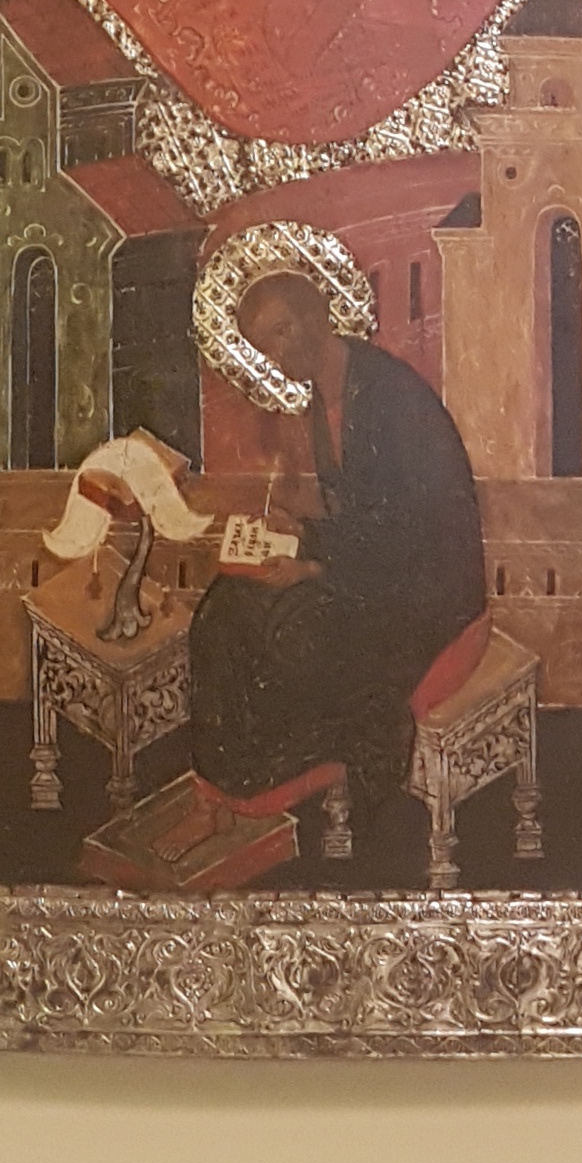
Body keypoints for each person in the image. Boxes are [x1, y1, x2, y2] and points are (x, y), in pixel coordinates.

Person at [188, 262, 485, 824]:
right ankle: (230, 776)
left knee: (293, 638)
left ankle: (301, 776)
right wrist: (300, 522)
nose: (277, 352)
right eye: (264, 344)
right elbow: (357, 505)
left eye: (282, 330)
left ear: (317, 316)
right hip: (367, 562)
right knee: (223, 611)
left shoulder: (388, 395)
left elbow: (408, 530)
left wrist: (310, 568)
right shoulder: (324, 397)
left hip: (425, 589)